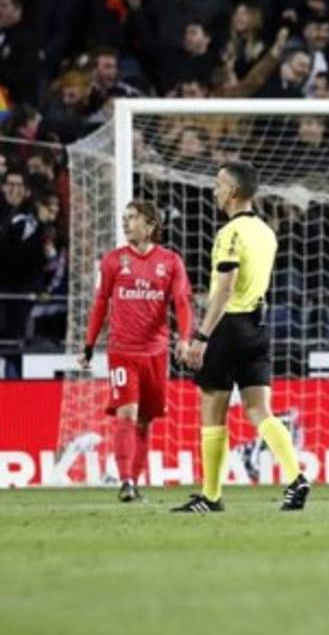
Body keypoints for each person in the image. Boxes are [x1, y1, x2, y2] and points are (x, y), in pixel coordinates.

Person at [172, 162, 309, 513]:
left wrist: (201, 337)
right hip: (258, 327)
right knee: (258, 408)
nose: (215, 190)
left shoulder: (230, 233)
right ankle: (296, 477)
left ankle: (211, 496)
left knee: (212, 410)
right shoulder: (266, 232)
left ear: (233, 191)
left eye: (219, 184)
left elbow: (225, 288)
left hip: (228, 326)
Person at [80, 201, 193, 502]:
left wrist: (184, 339)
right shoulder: (113, 261)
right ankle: (126, 481)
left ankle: (135, 480)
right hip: (122, 351)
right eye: (124, 218)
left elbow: (181, 302)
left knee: (144, 419)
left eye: (133, 218)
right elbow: (100, 304)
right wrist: (89, 346)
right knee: (126, 414)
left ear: (151, 224)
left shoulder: (170, 262)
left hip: (156, 353)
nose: (126, 224)